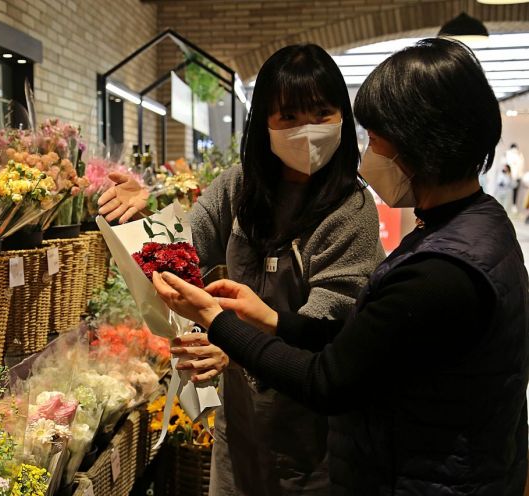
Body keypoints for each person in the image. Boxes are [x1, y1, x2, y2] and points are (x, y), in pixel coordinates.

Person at [152, 37, 529, 495]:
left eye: (377, 134)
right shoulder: (474, 225)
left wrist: (220, 325)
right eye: (288, 117)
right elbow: (352, 340)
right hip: (402, 458)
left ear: (421, 140)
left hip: (410, 472)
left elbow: (327, 377)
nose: (368, 148)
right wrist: (268, 319)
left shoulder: (439, 271)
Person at [99, 44, 383, 495]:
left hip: (316, 443)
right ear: (263, 123)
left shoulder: (351, 210)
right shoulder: (239, 187)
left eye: (321, 113)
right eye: (288, 117)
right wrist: (143, 218)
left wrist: (229, 342)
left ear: (342, 119)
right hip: (241, 431)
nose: (306, 131)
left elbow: (327, 336)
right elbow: (179, 254)